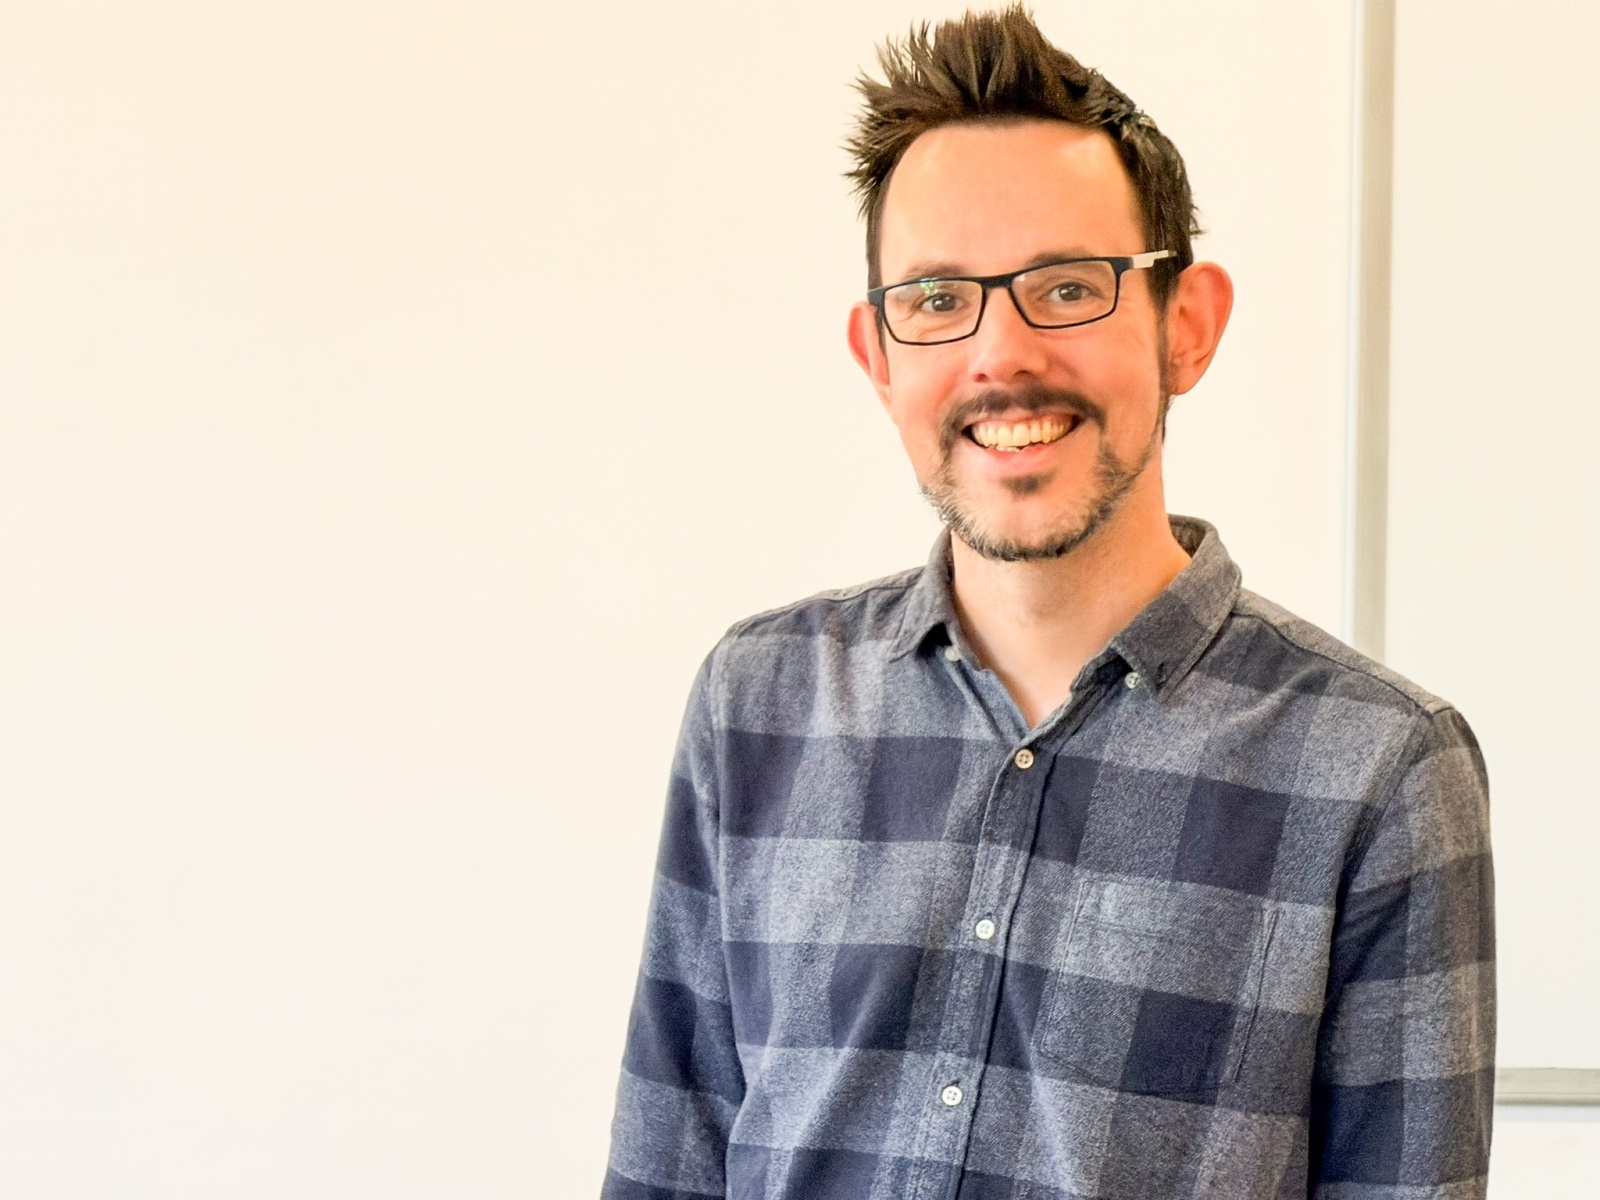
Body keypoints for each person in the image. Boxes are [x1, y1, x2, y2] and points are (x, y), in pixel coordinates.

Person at [601, 7, 1494, 1198]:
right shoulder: (756, 702)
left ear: (1186, 326)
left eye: (1067, 287)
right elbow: (665, 1163)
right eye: (936, 298)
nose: (1001, 356)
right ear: (878, 356)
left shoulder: (1378, 767)